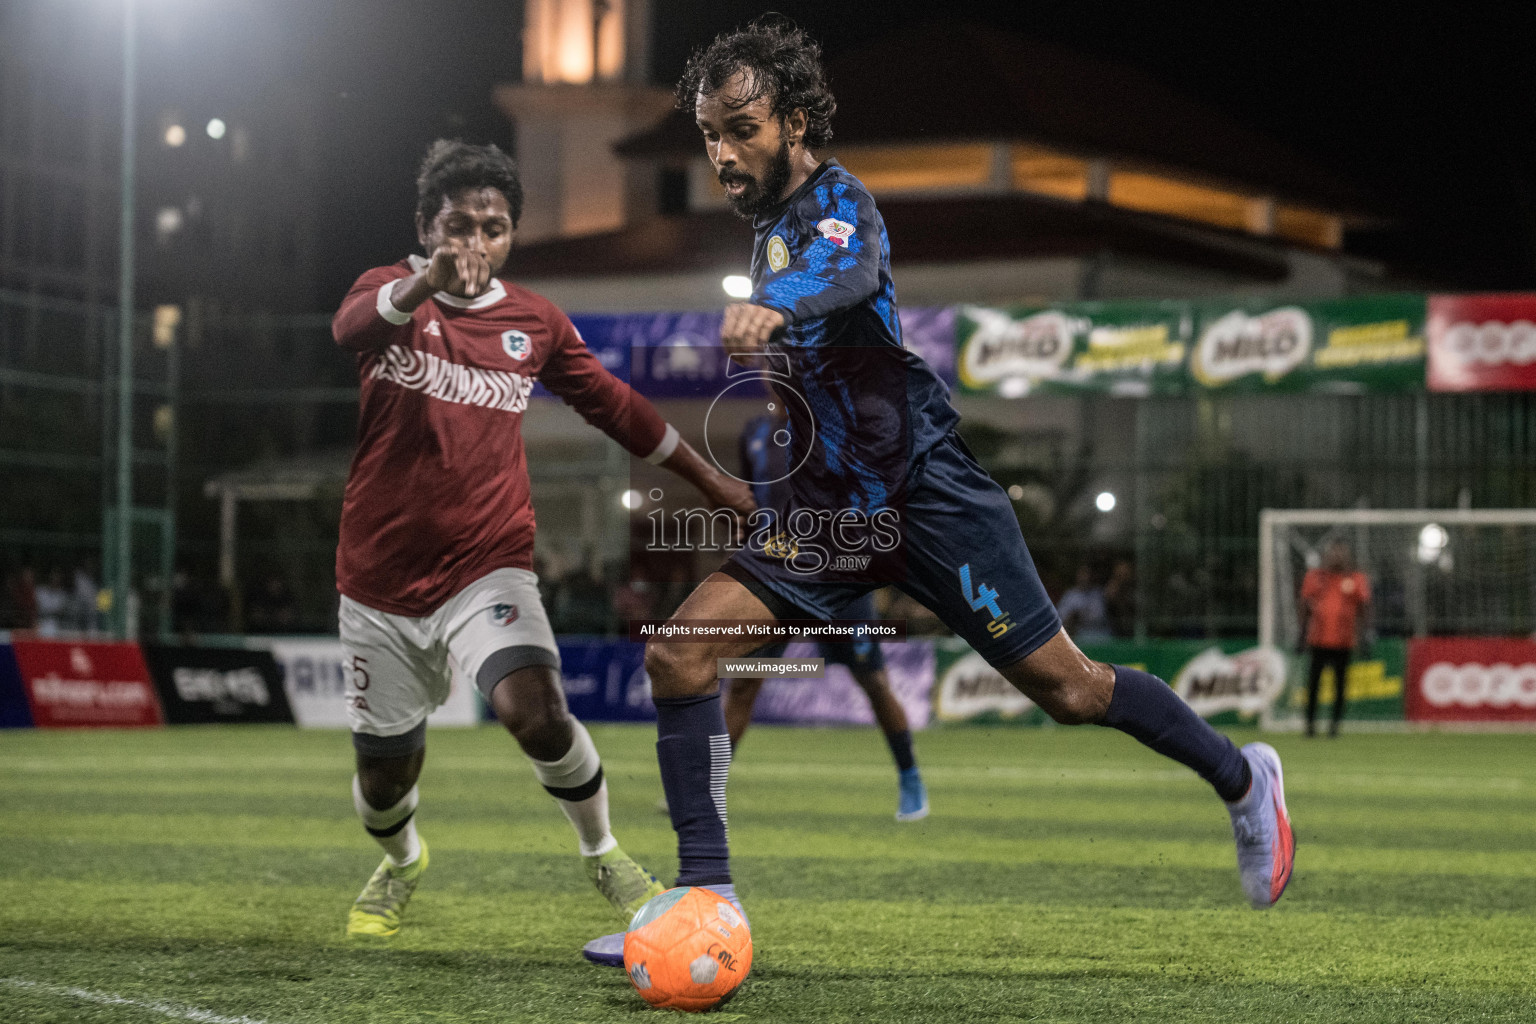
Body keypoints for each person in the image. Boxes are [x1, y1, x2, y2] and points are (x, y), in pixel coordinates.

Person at [584, 21, 1292, 966]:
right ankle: (708, 901)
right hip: (823, 518)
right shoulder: (765, 233)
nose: (722, 152)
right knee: (678, 658)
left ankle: (1245, 780)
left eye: (741, 127)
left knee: (1072, 692)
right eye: (710, 134)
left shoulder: (840, 206)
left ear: (795, 120)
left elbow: (854, 272)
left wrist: (779, 306)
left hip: (926, 499)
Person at [330, 139, 753, 939]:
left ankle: (605, 854)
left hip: (486, 566)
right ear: (428, 227)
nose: (476, 243)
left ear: (511, 236)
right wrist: (425, 281)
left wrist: (717, 483)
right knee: (384, 779)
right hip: (377, 580)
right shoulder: (389, 291)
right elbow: (350, 331)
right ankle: (402, 859)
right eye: (460, 225)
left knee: (538, 713)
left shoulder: (535, 322)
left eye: (494, 228)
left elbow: (618, 407)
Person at [725, 404, 929, 820]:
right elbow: (748, 497)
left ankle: (910, 778)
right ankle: (708, 789)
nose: (776, 374)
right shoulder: (756, 430)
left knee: (872, 680)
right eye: (771, 365)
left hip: (837, 577)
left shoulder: (837, 429)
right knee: (744, 684)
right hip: (774, 572)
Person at [1298, 540, 1372, 737]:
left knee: (1340, 686)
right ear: (1327, 555)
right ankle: (1310, 725)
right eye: (1334, 553)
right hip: (1318, 640)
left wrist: (1366, 635)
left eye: (1341, 553)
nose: (1337, 557)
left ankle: (1334, 726)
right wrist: (1301, 635)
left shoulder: (1356, 579)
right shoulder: (1315, 577)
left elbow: (1364, 608)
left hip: (1344, 642)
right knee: (1314, 684)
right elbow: (1305, 607)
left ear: (1347, 556)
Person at [1056, 566, 1112, 644]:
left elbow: (1101, 615)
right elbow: (1060, 623)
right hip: (1080, 637)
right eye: (1082, 574)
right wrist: (1073, 617)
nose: (1085, 577)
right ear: (1077, 576)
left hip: (1102, 636)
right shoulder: (1070, 596)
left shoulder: (1098, 594)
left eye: (1087, 574)